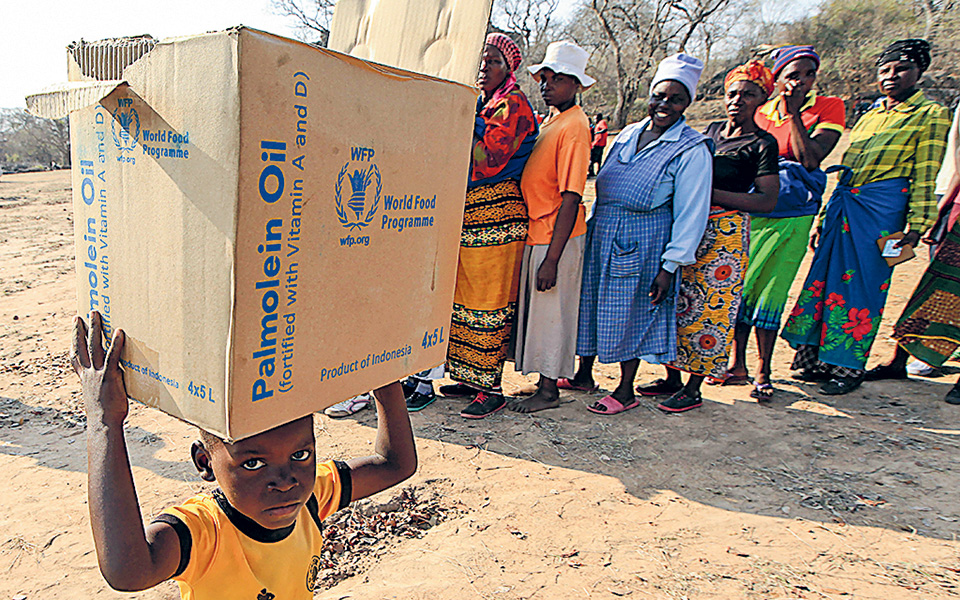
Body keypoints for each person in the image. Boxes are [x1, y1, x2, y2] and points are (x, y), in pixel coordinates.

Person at [73, 312, 417, 598]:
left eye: (300, 455)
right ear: (204, 462)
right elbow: (128, 572)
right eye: (253, 463)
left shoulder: (313, 498)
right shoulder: (205, 533)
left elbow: (396, 465)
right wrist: (104, 420)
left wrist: (383, 374)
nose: (285, 483)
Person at [781, 39, 950, 395]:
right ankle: (815, 362)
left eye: (901, 69)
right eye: (885, 70)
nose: (891, 76)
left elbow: (926, 170)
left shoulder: (930, 114)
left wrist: (917, 226)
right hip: (846, 205)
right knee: (825, 281)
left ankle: (848, 367)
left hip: (882, 210)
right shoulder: (872, 113)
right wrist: (826, 214)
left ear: (919, 72)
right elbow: (848, 170)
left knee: (863, 287)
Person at [565, 53, 713, 415]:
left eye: (676, 99)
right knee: (592, 303)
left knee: (628, 310)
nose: (665, 105)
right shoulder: (629, 133)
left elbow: (692, 210)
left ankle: (626, 388)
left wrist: (670, 265)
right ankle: (584, 373)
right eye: (660, 96)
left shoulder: (690, 149)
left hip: (644, 239)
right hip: (603, 231)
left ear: (687, 103)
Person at [634, 61, 780, 411]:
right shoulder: (710, 132)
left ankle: (694, 386)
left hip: (724, 233)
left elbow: (766, 200)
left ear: (762, 98)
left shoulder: (762, 144)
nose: (737, 100)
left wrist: (705, 192)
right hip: (686, 222)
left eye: (748, 94)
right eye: (732, 93)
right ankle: (671, 376)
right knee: (677, 301)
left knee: (711, 308)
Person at [723, 45, 846, 399]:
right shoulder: (760, 112)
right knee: (742, 288)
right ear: (777, 79)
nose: (802, 82)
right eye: (793, 76)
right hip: (753, 210)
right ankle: (737, 364)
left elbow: (811, 159)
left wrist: (794, 115)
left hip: (793, 213)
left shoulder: (827, 108)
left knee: (772, 291)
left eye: (809, 75)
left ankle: (764, 369)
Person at [439, 33, 539, 417]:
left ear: (508, 68)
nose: (485, 67)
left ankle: (491, 387)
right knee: (464, 300)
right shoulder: (481, 103)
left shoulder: (512, 104)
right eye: (481, 59)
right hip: (469, 214)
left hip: (497, 213)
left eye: (494, 61)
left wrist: (457, 124)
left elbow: (488, 159)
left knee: (489, 304)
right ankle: (467, 377)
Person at [507, 41, 594, 414]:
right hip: (538, 231)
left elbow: (571, 195)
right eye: (544, 78)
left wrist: (552, 260)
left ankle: (549, 390)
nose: (547, 85)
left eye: (557, 79)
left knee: (553, 313)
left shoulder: (575, 125)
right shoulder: (552, 121)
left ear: (575, 84)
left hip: (557, 235)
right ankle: (541, 381)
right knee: (541, 314)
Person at [863, 101, 960, 403]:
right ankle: (898, 361)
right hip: (953, 207)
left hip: (946, 205)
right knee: (933, 288)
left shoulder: (931, 112)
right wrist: (941, 211)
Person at [589, 112, 609, 177]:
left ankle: (594, 171)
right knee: (597, 158)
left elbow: (605, 129)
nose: (595, 120)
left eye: (596, 118)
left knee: (594, 158)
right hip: (598, 143)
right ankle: (595, 171)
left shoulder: (601, 123)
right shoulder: (598, 124)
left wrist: (597, 133)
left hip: (598, 143)